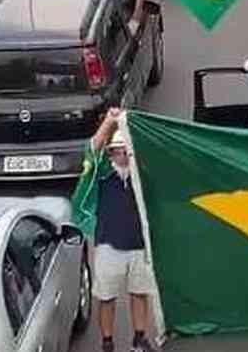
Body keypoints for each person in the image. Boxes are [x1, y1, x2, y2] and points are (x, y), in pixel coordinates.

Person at [91, 108, 156, 352]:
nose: (121, 155)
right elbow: (92, 150)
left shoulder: (142, 174)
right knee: (106, 297)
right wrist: (109, 121)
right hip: (109, 244)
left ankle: (139, 338)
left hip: (139, 244)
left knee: (140, 293)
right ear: (110, 153)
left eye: (124, 150)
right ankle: (107, 342)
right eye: (116, 151)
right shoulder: (103, 174)